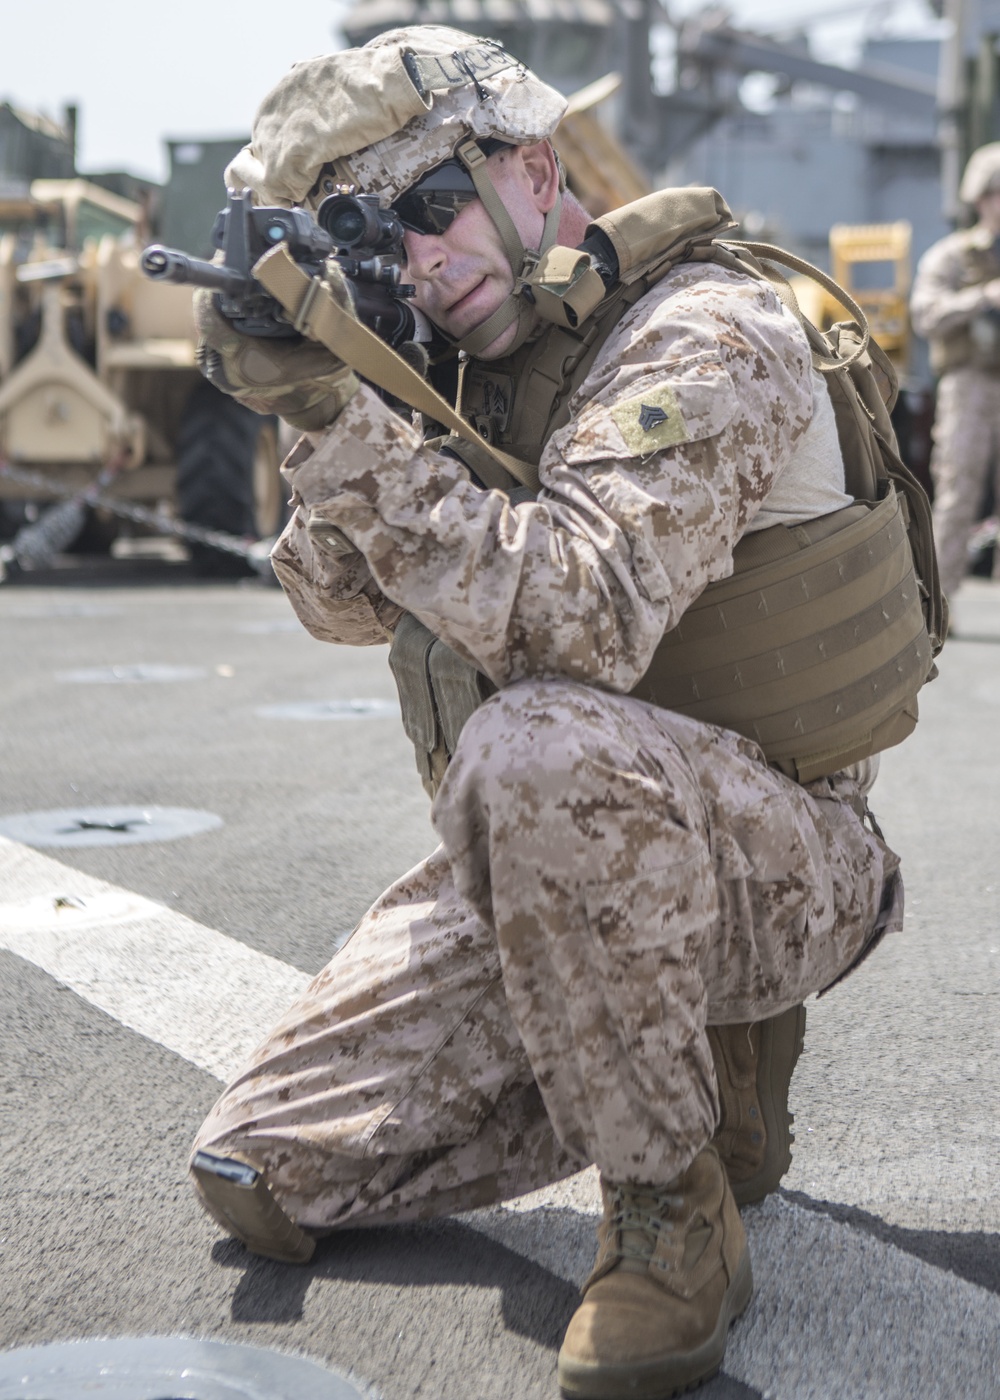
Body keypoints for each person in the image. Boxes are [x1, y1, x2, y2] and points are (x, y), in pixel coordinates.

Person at [187, 27, 928, 1399]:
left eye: (427, 207)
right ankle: (686, 1067)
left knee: (530, 742)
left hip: (782, 853)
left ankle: (668, 1210)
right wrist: (324, 396)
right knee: (260, 1166)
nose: (414, 258)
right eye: (373, 241)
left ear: (534, 169)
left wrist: (353, 431)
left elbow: (572, 620)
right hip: (571, 851)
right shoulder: (461, 361)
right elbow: (339, 604)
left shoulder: (708, 331)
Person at [911, 141, 1000, 604]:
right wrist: (983, 298)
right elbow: (925, 314)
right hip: (972, 385)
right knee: (959, 487)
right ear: (980, 198)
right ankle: (940, 602)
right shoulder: (953, 256)